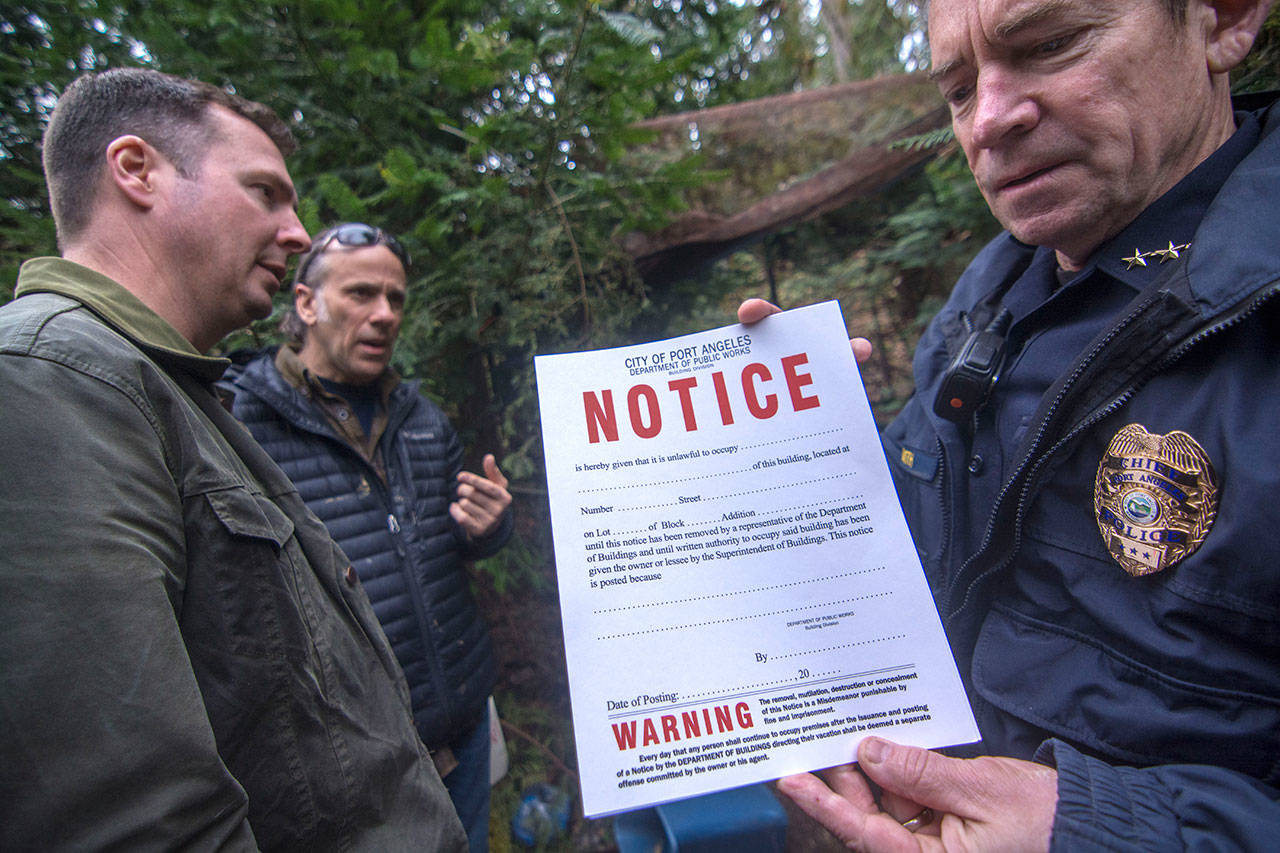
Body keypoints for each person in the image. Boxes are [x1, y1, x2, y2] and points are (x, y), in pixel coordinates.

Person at [740, 0, 1280, 849]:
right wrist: (805, 467)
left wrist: (1100, 832)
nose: (988, 120)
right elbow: (915, 559)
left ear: (1224, 18)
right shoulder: (985, 302)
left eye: (1053, 43)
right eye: (958, 90)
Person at [0, 68, 466, 850]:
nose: (297, 232)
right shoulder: (48, 380)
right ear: (137, 170)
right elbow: (129, 816)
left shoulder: (168, 390)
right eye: (265, 193)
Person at [221, 222, 514, 852]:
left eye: (396, 298)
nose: (385, 314)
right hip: (353, 761)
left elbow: (445, 545)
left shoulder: (421, 418)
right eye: (360, 293)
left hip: (461, 723)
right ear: (306, 303)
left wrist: (488, 528)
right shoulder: (240, 421)